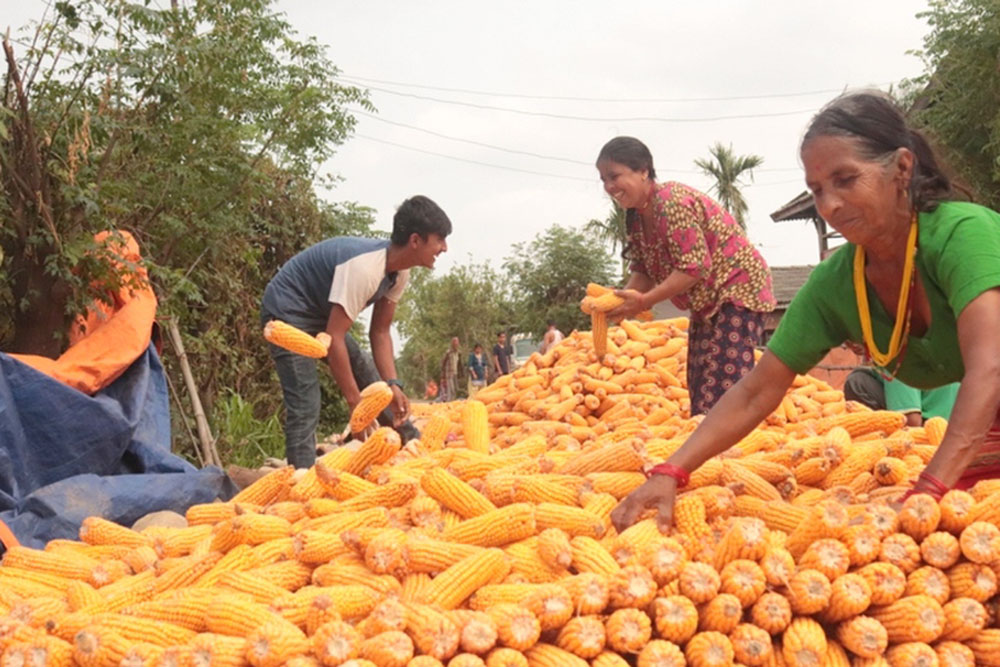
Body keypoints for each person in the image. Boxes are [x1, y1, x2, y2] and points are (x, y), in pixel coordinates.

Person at [611, 90, 1000, 533]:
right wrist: (671, 470)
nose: (830, 205)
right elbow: (757, 390)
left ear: (902, 169)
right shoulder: (837, 282)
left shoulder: (963, 235)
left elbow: (989, 368)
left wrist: (926, 494)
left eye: (846, 179)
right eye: (817, 190)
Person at [261, 195, 451, 468]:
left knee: (370, 375)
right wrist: (355, 404)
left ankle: (412, 442)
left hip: (319, 313)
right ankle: (301, 479)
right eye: (440, 239)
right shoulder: (365, 269)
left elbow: (381, 332)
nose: (444, 247)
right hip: (288, 311)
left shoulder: (400, 272)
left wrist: (394, 385)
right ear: (415, 240)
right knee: (305, 400)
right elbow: (335, 338)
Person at [596, 136, 776, 416]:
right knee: (699, 385)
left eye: (615, 176)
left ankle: (729, 452)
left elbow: (693, 268)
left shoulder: (671, 203)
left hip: (737, 291)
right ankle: (708, 450)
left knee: (722, 391)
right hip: (705, 302)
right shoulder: (635, 217)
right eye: (603, 180)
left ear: (644, 170)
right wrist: (618, 301)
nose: (609, 187)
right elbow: (643, 270)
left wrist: (643, 301)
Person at [843, 367, 959, 427]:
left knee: (856, 383)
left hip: (932, 427)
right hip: (958, 419)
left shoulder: (894, 353)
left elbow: (911, 420)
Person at [440, 336, 461, 402]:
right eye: (455, 342)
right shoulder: (448, 352)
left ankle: (452, 403)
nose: (456, 344)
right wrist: (443, 374)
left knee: (455, 390)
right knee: (451, 390)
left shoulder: (458, 353)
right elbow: (443, 363)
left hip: (455, 374)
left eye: (457, 342)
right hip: (449, 374)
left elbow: (459, 364)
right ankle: (449, 403)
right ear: (452, 343)